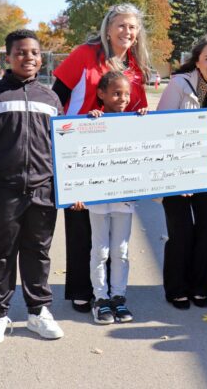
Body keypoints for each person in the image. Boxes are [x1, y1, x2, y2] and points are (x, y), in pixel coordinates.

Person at [0, 29, 64, 345]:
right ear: (8, 57)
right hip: (4, 190)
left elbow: (63, 148)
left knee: (39, 252)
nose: (28, 57)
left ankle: (38, 312)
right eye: (20, 52)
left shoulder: (51, 98)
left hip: (43, 190)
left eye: (34, 52)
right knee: (2, 253)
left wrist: (68, 188)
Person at [52, 3, 151, 313]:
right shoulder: (84, 54)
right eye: (121, 25)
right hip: (81, 151)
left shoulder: (135, 65)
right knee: (81, 222)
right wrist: (62, 137)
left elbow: (138, 110)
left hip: (117, 157)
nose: (127, 32)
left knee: (113, 235)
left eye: (132, 27)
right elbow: (57, 95)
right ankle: (83, 290)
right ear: (108, 28)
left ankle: (110, 292)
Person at [157, 35, 207, 310]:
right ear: (197, 61)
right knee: (181, 232)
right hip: (176, 167)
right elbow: (161, 124)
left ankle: (200, 288)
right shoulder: (180, 84)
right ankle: (176, 289)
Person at [70, 72, 147, 324]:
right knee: (100, 250)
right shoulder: (92, 121)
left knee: (121, 250)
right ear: (101, 94)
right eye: (116, 93)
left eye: (126, 93)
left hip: (124, 197)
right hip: (98, 197)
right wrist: (90, 122)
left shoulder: (135, 120)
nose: (123, 98)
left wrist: (146, 121)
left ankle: (119, 297)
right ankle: (101, 299)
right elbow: (78, 156)